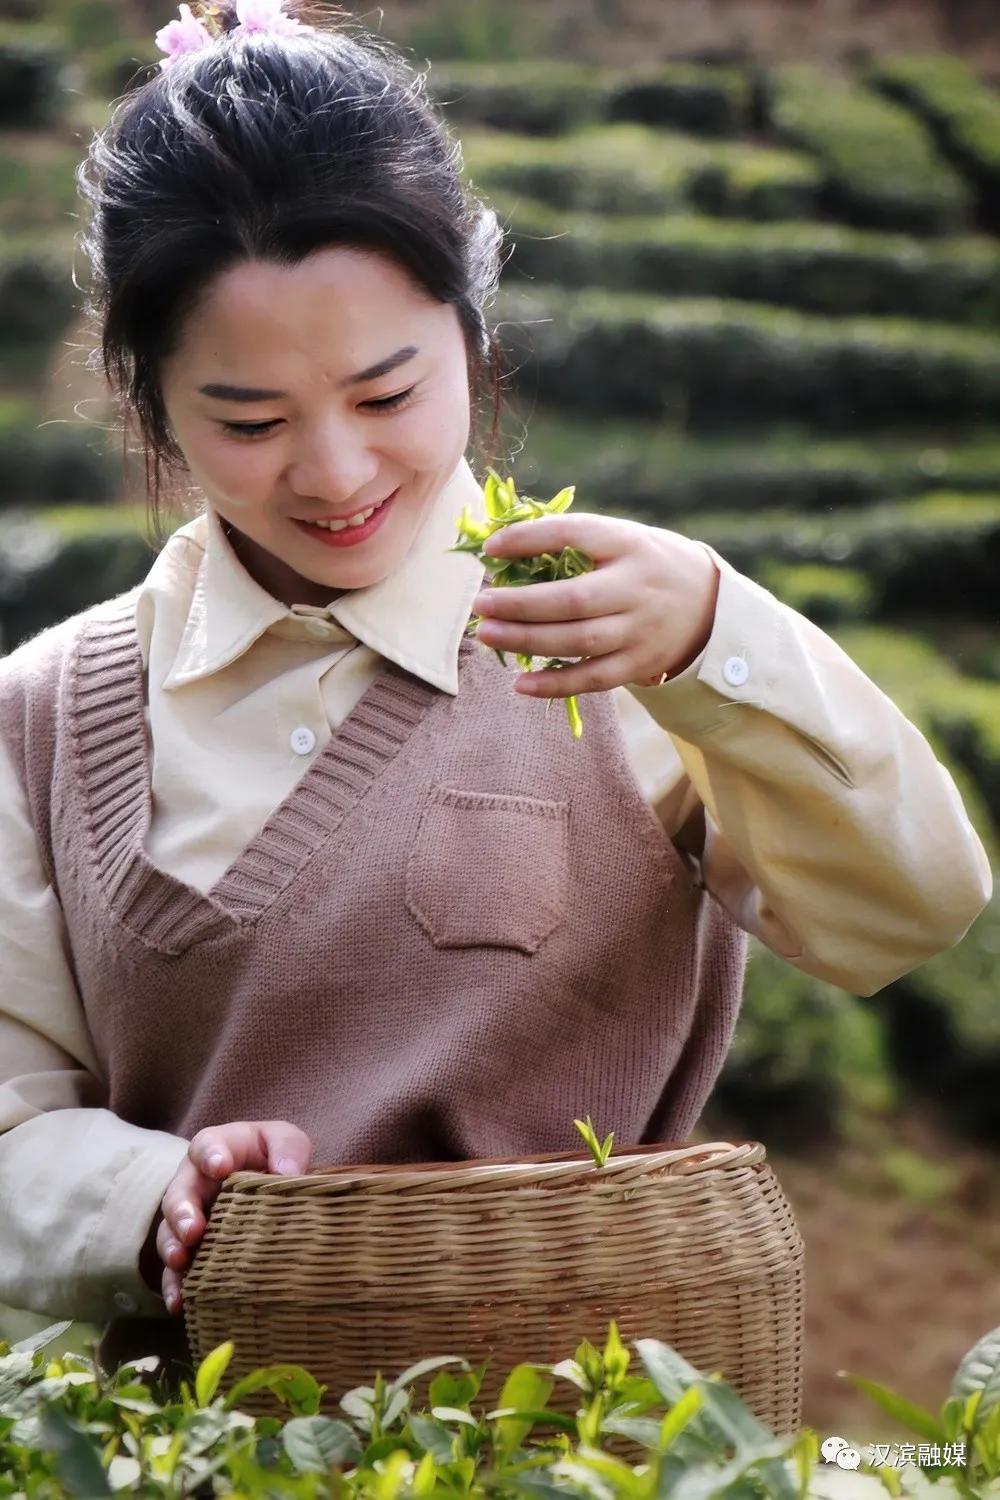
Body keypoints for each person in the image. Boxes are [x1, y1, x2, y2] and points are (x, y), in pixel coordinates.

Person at [0, 0, 991, 1385]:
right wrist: (149, 1191)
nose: (336, 475)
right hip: (202, 1454)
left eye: (388, 391)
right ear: (149, 404)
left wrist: (720, 640)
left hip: (586, 1447)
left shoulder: (634, 640)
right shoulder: (46, 714)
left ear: (470, 332)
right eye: (250, 421)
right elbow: (11, 1122)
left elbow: (915, 907)